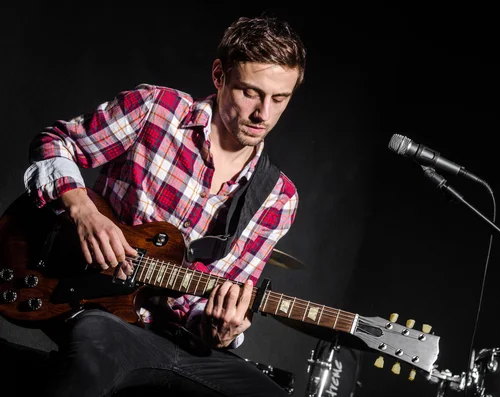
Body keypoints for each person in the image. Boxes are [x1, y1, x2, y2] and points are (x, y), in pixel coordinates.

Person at [22, 14, 306, 397]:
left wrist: (219, 329)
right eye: (250, 92)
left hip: (174, 340)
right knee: (93, 353)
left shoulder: (278, 198)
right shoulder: (158, 110)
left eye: (279, 98)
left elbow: (207, 309)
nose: (263, 115)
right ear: (219, 76)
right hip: (101, 309)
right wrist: (83, 211)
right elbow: (53, 143)